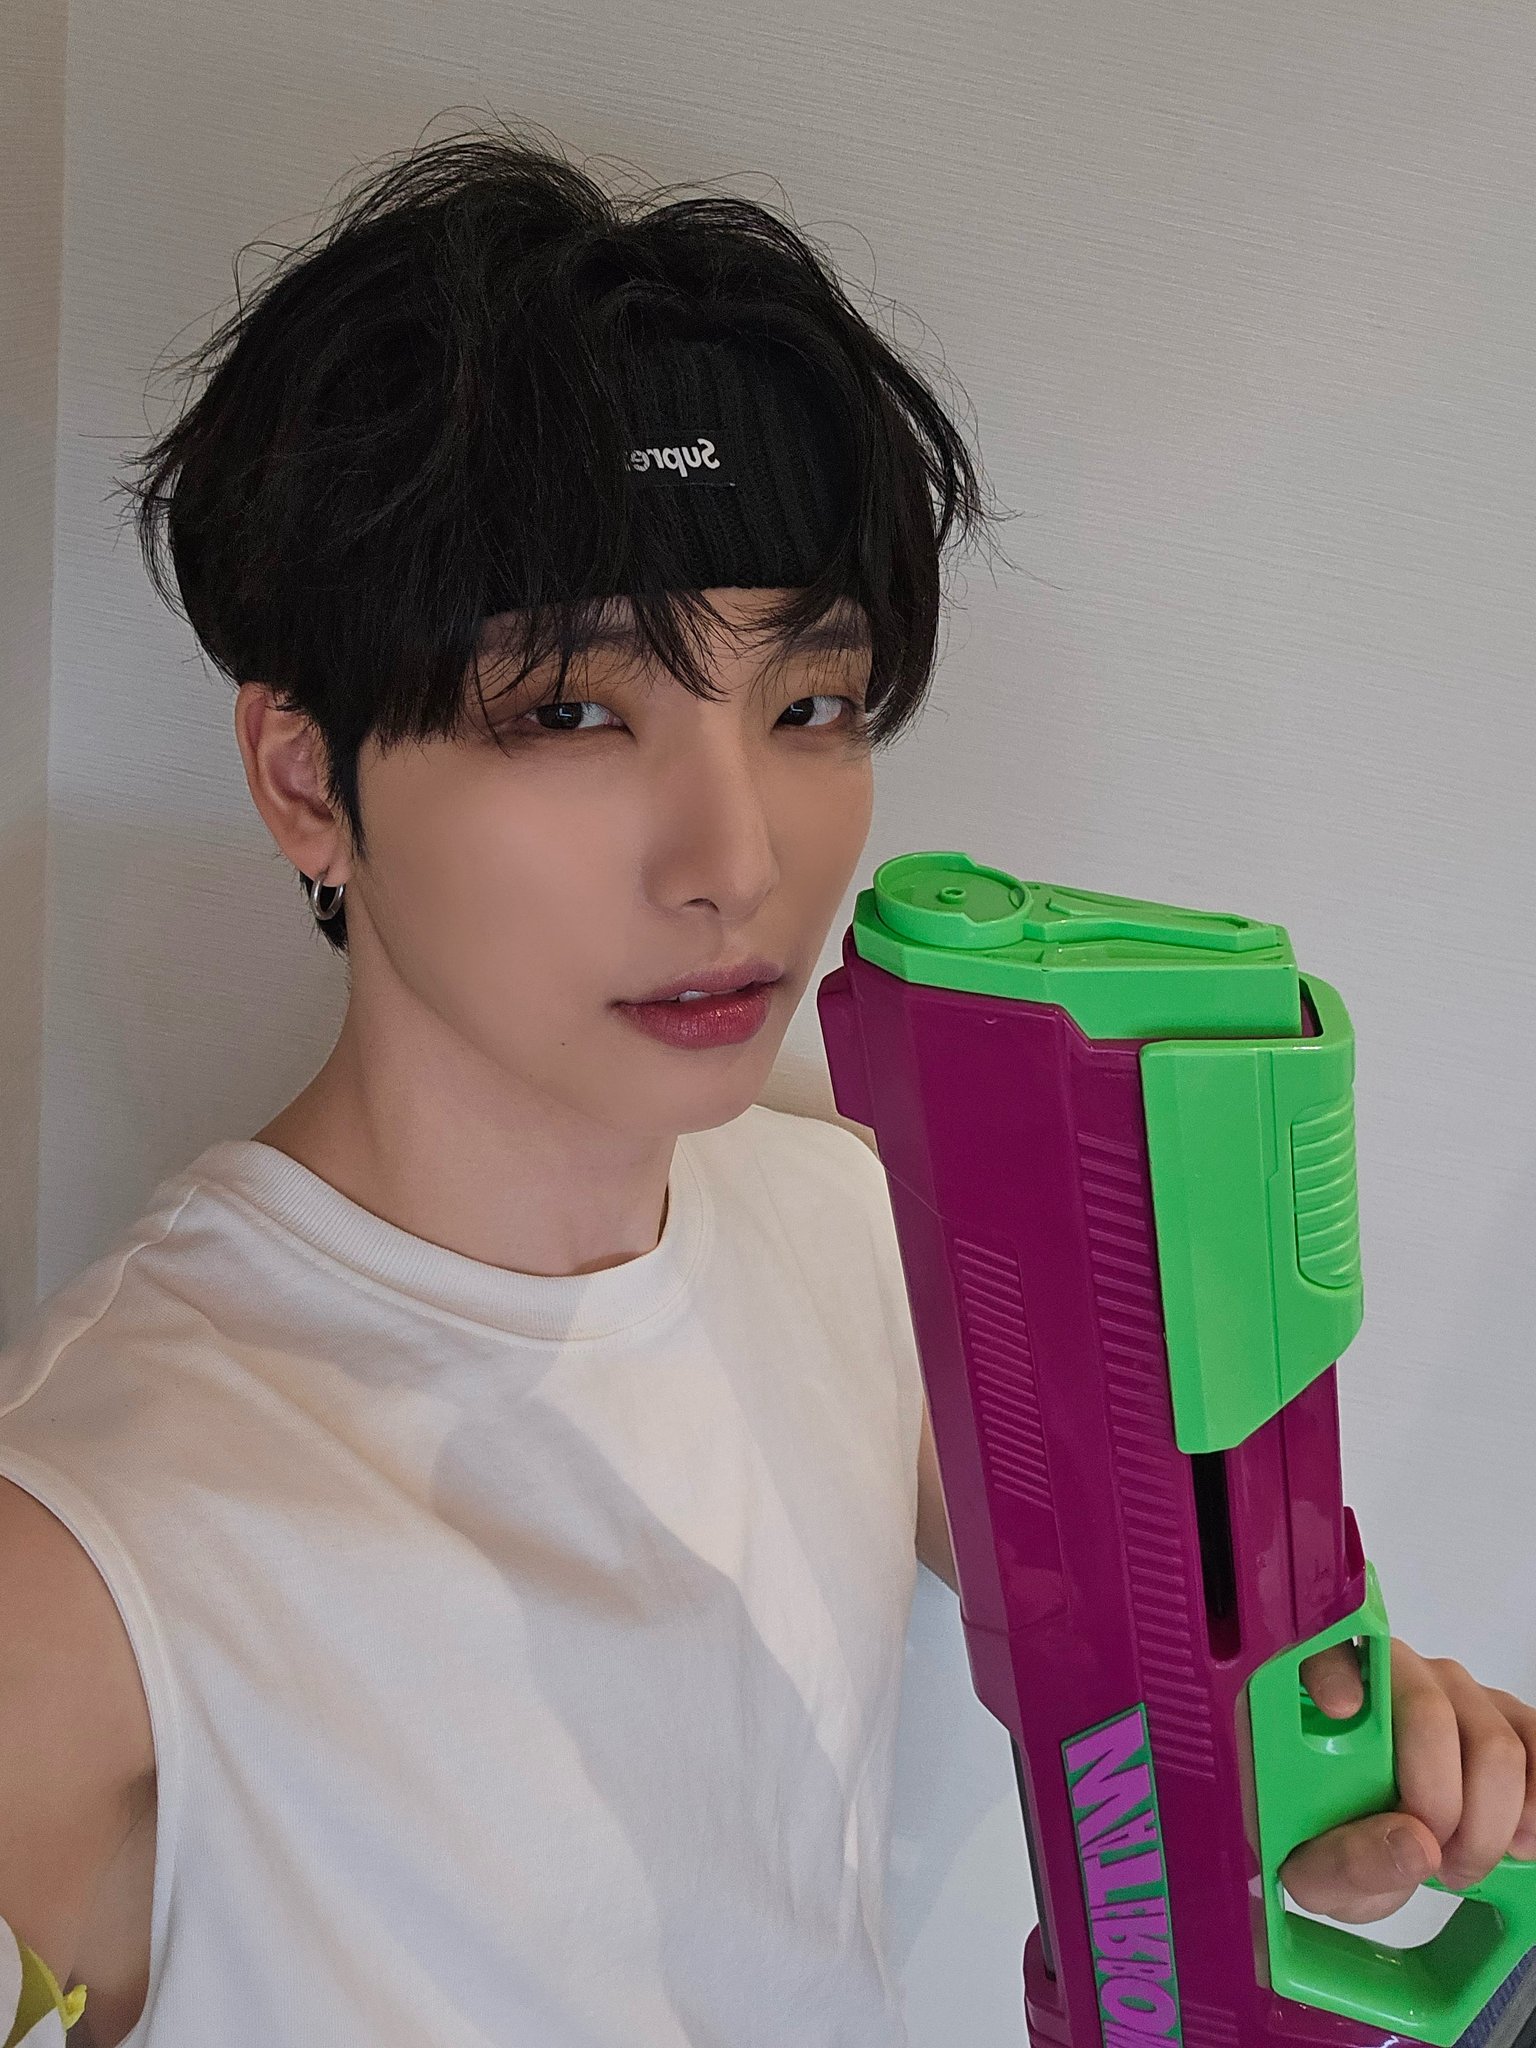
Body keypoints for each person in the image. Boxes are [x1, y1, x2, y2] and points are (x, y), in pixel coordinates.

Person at [0, 122, 1532, 2048]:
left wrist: (1362, 1773)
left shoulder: (869, 1237)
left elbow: (1160, 1689)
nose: (737, 858)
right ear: (308, 779)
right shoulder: (82, 1571)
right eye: (572, 708)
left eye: (811, 704)